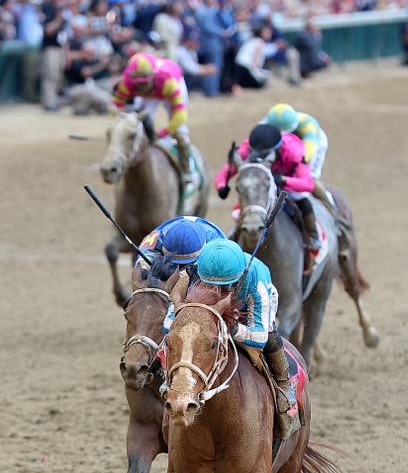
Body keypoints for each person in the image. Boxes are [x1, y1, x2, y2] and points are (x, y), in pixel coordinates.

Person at [163, 238, 299, 441]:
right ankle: (168, 379)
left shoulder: (256, 278)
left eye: (226, 287)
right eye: (210, 285)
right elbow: (168, 325)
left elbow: (260, 336)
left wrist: (232, 329)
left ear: (238, 279)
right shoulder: (190, 274)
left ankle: (284, 386)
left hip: (249, 308)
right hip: (206, 312)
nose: (219, 293)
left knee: (272, 339)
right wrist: (186, 316)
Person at [215, 123, 320, 265]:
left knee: (302, 200)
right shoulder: (246, 148)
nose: (260, 157)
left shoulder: (294, 151)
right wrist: (222, 185)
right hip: (262, 181)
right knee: (249, 200)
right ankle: (235, 236)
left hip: (287, 177)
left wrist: (283, 179)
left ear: (278, 149)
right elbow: (226, 170)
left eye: (264, 155)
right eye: (257, 154)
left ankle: (313, 238)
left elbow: (308, 184)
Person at [110, 51, 194, 189]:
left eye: (143, 84)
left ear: (153, 77)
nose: (141, 88)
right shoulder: (127, 82)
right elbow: (116, 106)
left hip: (168, 87)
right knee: (135, 125)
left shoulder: (169, 82)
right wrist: (119, 127)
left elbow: (180, 116)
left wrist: (162, 133)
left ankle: (187, 171)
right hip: (154, 90)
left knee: (180, 131)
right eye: (137, 85)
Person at [135, 215, 226, 281]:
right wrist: (144, 268)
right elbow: (144, 255)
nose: (180, 268)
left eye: (186, 263)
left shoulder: (217, 245)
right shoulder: (160, 234)